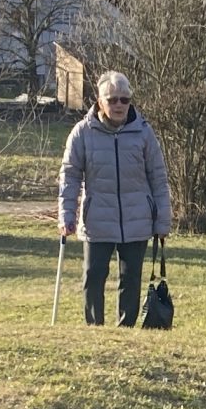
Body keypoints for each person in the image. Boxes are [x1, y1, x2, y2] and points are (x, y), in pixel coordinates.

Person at [58, 70, 171, 327]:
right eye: (112, 100)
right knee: (93, 276)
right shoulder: (82, 132)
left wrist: (162, 220)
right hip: (97, 219)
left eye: (124, 99)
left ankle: (126, 328)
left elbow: (158, 177)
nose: (119, 105)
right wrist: (66, 215)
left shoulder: (144, 133)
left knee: (131, 279)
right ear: (100, 102)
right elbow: (69, 176)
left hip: (137, 220)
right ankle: (94, 327)